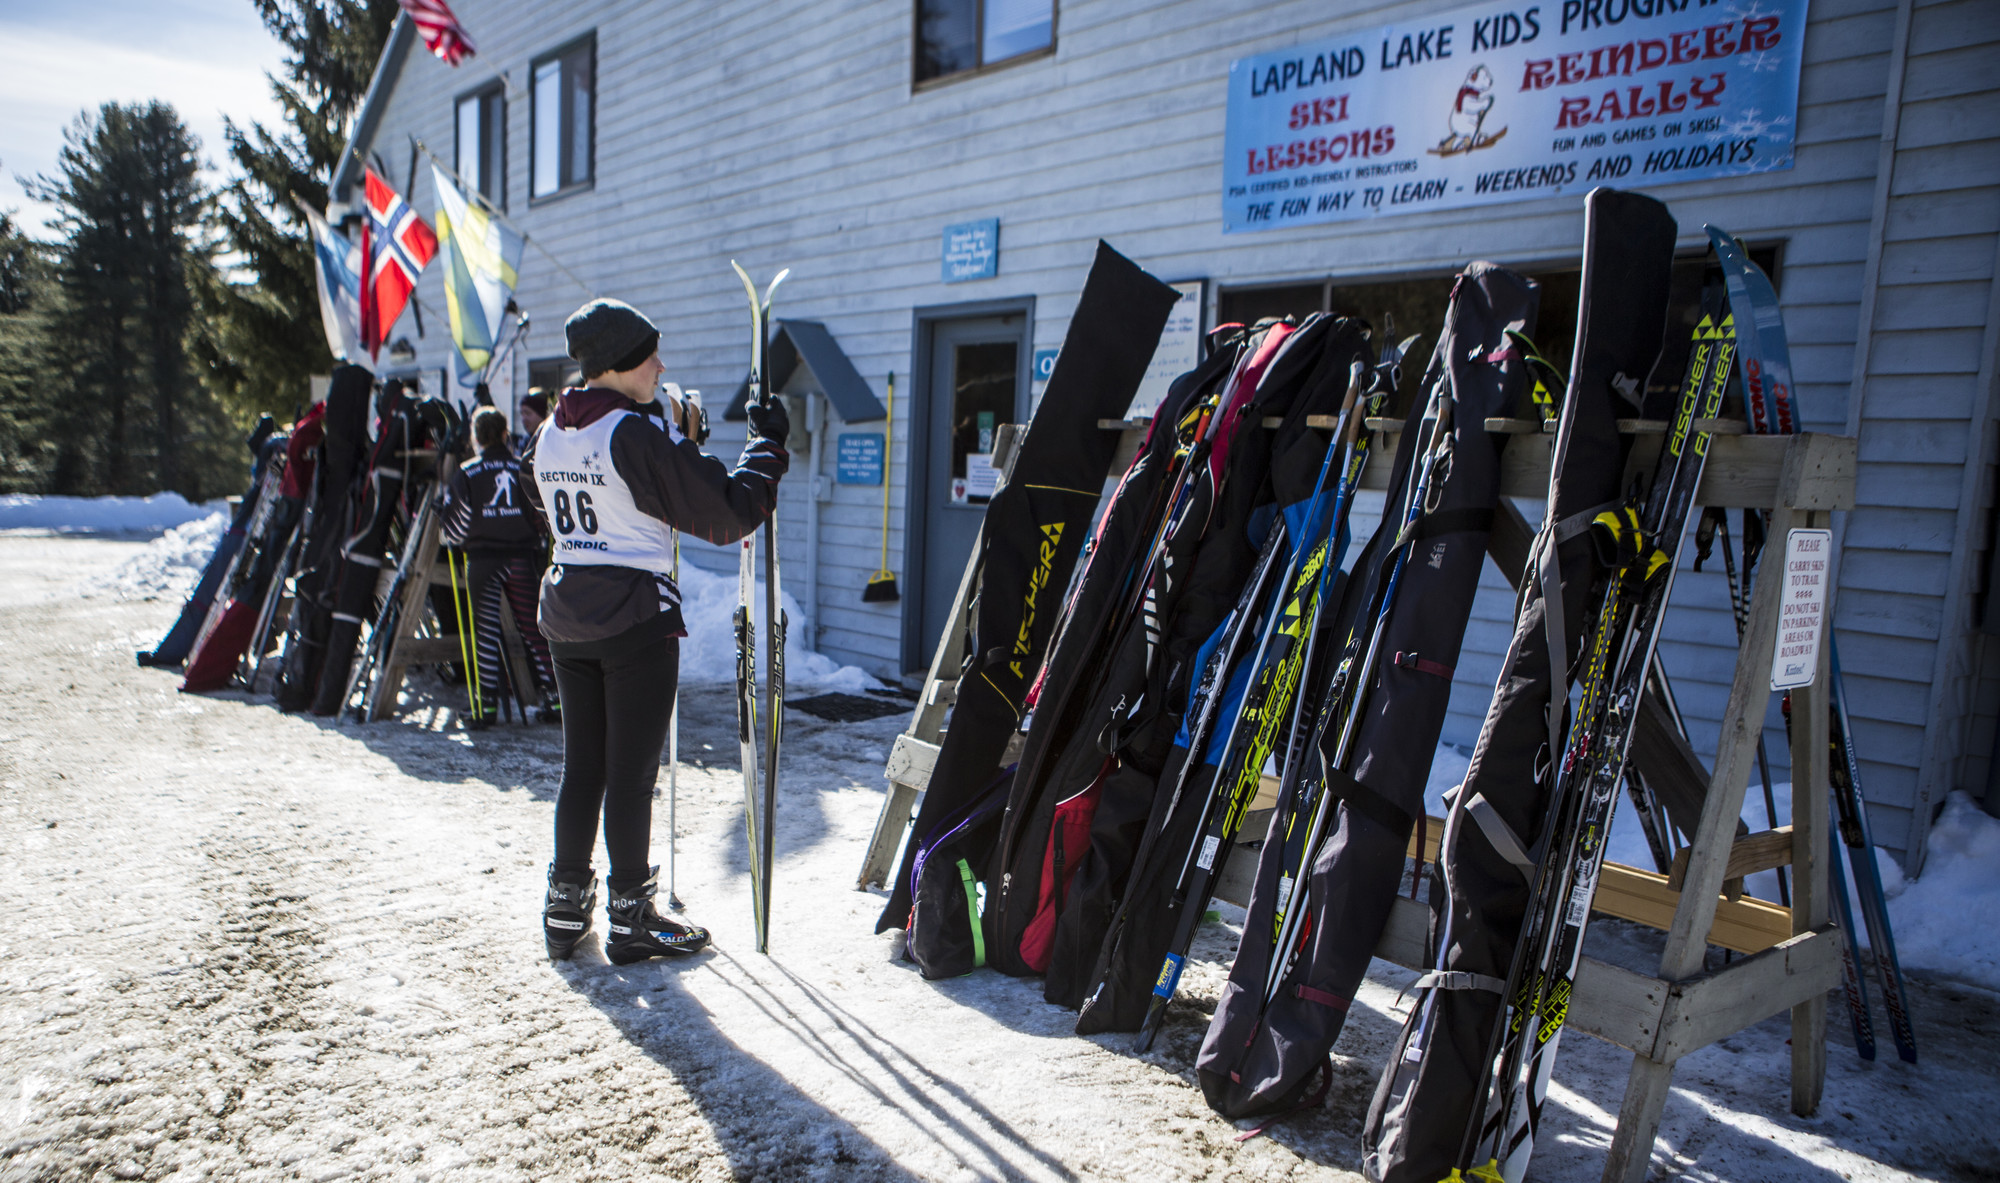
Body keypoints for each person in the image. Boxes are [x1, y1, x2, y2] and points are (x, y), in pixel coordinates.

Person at [522, 297, 789, 963]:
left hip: (568, 610)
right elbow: (729, 513)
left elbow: (563, 494)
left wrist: (668, 443)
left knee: (583, 766)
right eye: (650, 356)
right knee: (630, 772)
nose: (661, 365)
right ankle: (633, 914)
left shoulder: (553, 427)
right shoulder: (636, 435)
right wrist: (768, 447)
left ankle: (565, 904)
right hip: (633, 616)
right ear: (616, 365)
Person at [439, 406, 560, 728]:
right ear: (506, 434)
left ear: (475, 438)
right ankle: (555, 698)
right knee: (535, 629)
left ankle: (486, 706)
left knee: (485, 632)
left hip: (482, 560)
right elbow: (540, 517)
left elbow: (453, 530)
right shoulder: (522, 467)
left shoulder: (468, 472)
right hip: (521, 556)